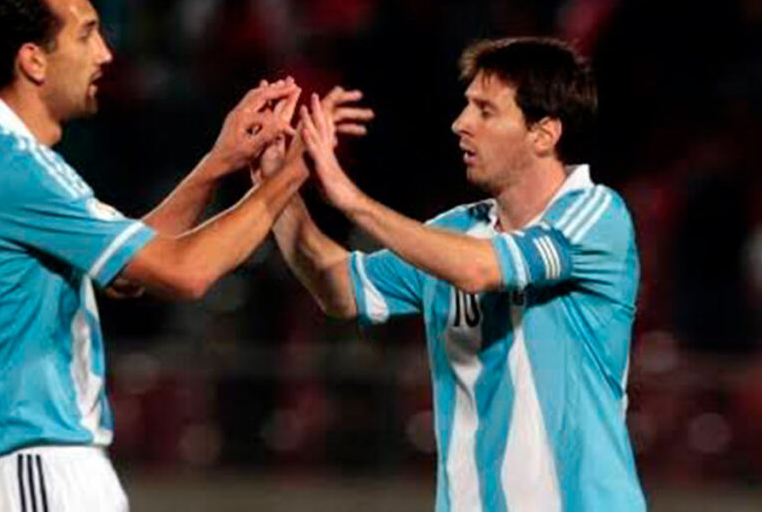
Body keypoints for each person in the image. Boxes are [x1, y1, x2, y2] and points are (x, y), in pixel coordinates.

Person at [0, 0, 307, 511]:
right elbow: (186, 271)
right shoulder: (10, 165)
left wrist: (219, 164)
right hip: (30, 463)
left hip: (35, 463)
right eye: (86, 34)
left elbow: (129, 271)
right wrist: (292, 173)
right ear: (33, 60)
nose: (105, 54)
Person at [256, 37, 645, 511]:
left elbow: (481, 269)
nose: (460, 124)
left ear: (543, 134)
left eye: (485, 110)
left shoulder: (596, 215)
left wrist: (350, 199)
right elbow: (340, 289)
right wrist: (276, 187)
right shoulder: (454, 233)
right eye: (466, 106)